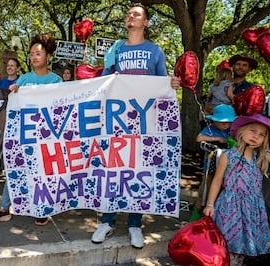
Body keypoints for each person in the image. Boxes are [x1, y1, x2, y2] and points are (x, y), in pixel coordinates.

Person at [91, 3, 180, 249]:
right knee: (113, 169)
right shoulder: (115, 49)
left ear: (146, 23)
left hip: (144, 123)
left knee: (138, 171)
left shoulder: (155, 51)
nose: (131, 16)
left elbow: (162, 84)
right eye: (129, 14)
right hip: (116, 123)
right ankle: (107, 221)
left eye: (137, 14)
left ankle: (134, 224)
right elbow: (104, 82)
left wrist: (172, 83)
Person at [0, 33, 62, 226]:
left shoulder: (56, 81)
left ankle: (41, 208)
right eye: (31, 54)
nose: (34, 57)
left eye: (38, 53)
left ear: (48, 56)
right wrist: (14, 93)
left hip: (44, 137)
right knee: (14, 169)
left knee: (42, 174)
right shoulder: (24, 79)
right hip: (22, 136)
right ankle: (3, 209)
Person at [203, 114, 270, 264]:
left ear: (264, 140)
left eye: (261, 134)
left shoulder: (261, 158)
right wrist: (210, 204)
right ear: (242, 132)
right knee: (228, 240)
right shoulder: (228, 156)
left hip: (253, 209)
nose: (256, 136)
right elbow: (217, 181)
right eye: (252, 131)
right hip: (230, 206)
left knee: (248, 242)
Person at [189, 104, 236, 221]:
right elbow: (199, 138)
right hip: (211, 167)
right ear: (215, 121)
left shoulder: (232, 131)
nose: (226, 124)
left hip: (227, 169)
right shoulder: (210, 129)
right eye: (222, 122)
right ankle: (195, 216)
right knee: (204, 191)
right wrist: (217, 139)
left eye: (228, 122)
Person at [0, 58, 21, 182]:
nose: (10, 68)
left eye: (12, 66)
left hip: (15, 119)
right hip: (0, 117)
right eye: (8, 65)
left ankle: (12, 171)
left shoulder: (21, 82)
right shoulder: (1, 82)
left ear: (18, 68)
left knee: (12, 145)